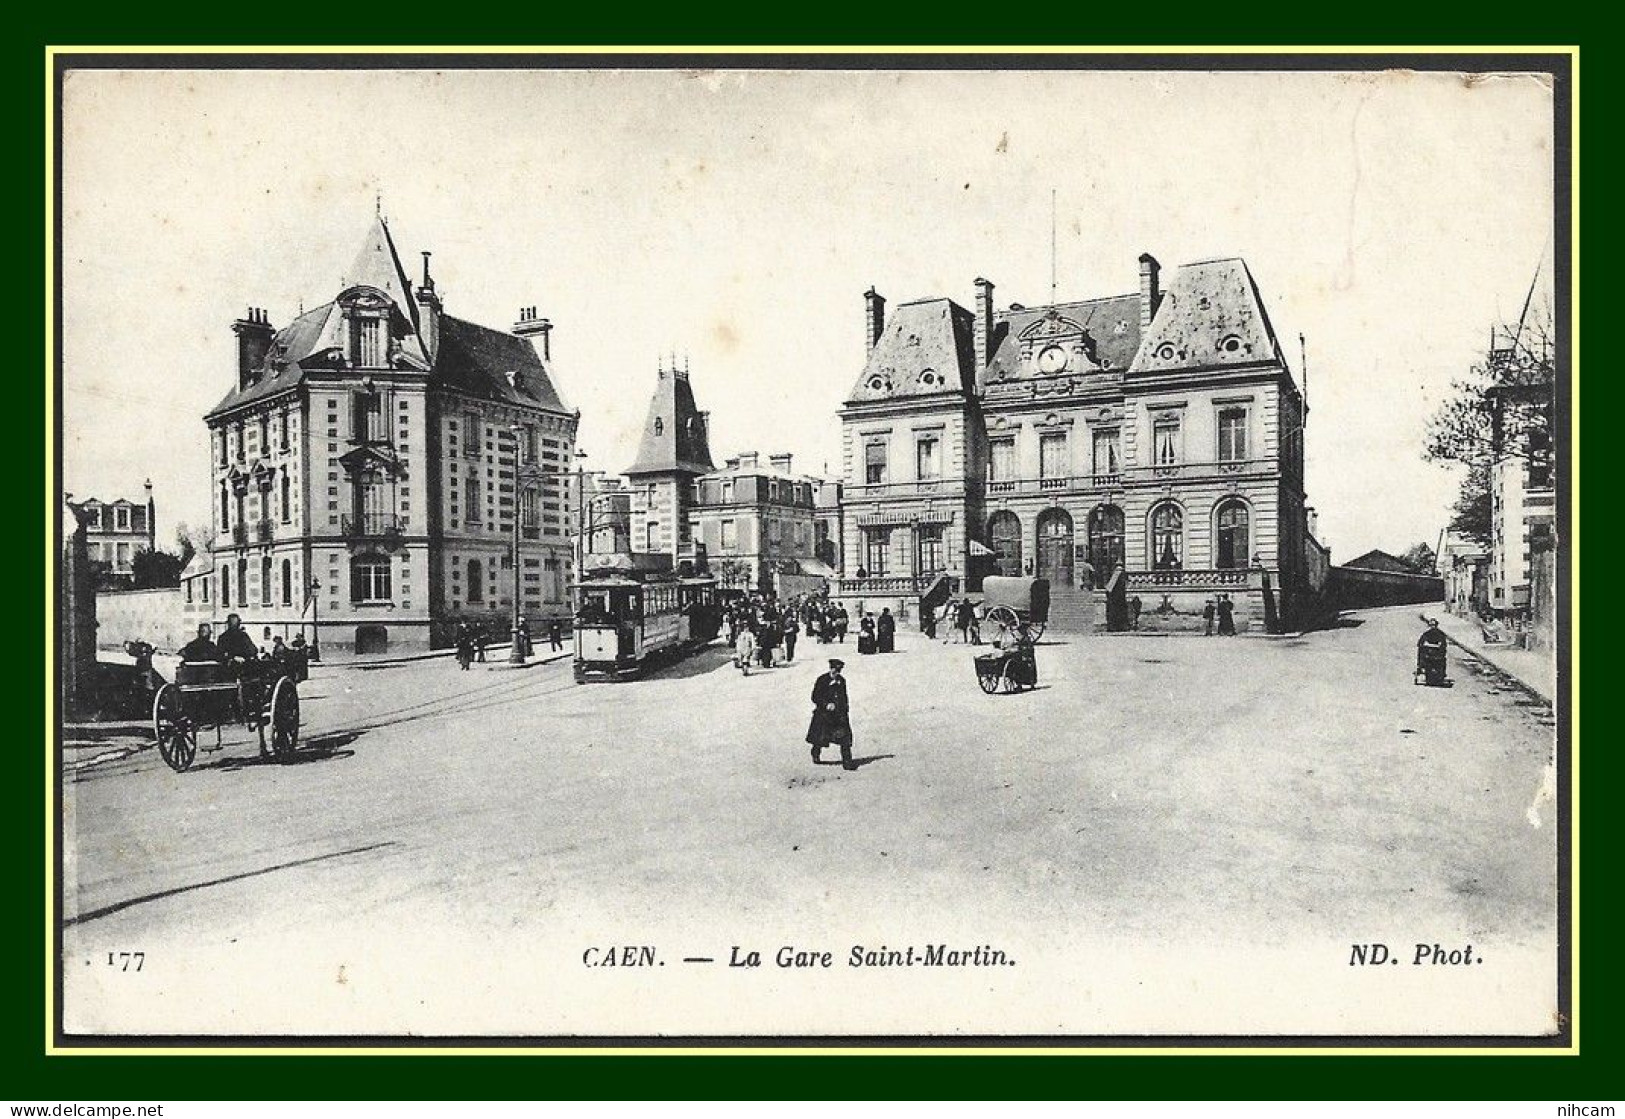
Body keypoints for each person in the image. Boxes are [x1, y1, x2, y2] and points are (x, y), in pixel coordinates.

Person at [806, 658, 856, 770]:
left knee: (845, 737)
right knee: (820, 738)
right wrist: (826, 704)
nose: (836, 674)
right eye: (834, 671)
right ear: (831, 669)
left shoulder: (842, 681)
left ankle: (847, 762)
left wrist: (845, 709)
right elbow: (815, 696)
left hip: (839, 715)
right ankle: (815, 753)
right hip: (824, 715)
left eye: (838, 671)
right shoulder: (822, 680)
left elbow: (844, 696)